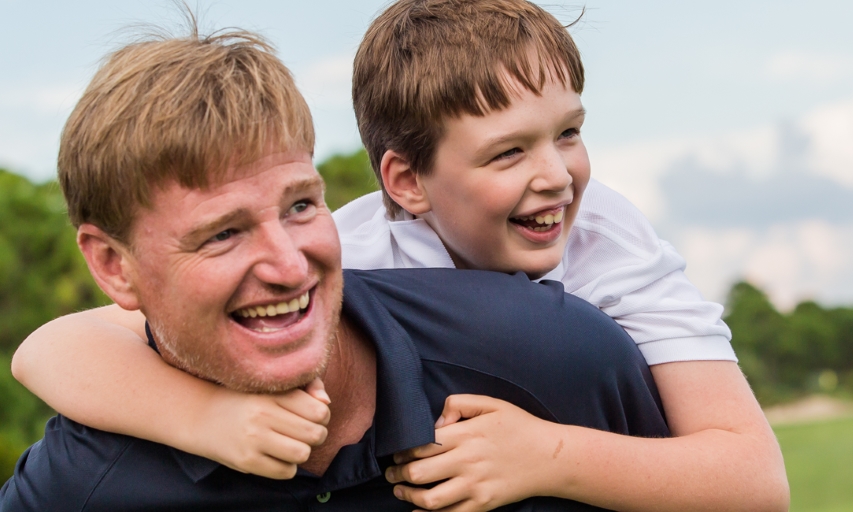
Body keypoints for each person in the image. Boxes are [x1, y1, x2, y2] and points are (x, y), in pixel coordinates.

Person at [11, 1, 790, 511]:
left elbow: (753, 480)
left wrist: (547, 456)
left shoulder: (607, 249)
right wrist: (206, 418)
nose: (555, 176)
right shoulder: (350, 250)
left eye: (569, 133)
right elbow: (58, 346)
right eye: (506, 153)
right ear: (406, 184)